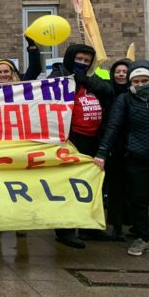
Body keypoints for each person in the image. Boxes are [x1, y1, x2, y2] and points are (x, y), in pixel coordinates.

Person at [95, 61, 149, 260]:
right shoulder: (125, 100)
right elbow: (113, 127)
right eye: (136, 81)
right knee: (138, 200)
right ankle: (141, 236)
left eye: (144, 80)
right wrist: (102, 153)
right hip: (137, 159)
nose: (140, 84)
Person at [49, 43, 112, 248]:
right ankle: (65, 231)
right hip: (70, 140)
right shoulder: (58, 75)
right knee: (68, 186)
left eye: (86, 61)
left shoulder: (92, 79)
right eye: (79, 59)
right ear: (70, 58)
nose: (82, 64)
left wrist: (85, 80)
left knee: (91, 186)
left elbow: (107, 91)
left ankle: (88, 228)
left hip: (93, 140)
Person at [102, 58, 132, 240]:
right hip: (113, 147)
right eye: (117, 72)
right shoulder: (107, 92)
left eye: (124, 72)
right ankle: (117, 226)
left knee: (133, 189)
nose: (121, 75)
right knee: (115, 189)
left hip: (133, 147)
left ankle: (135, 225)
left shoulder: (136, 93)